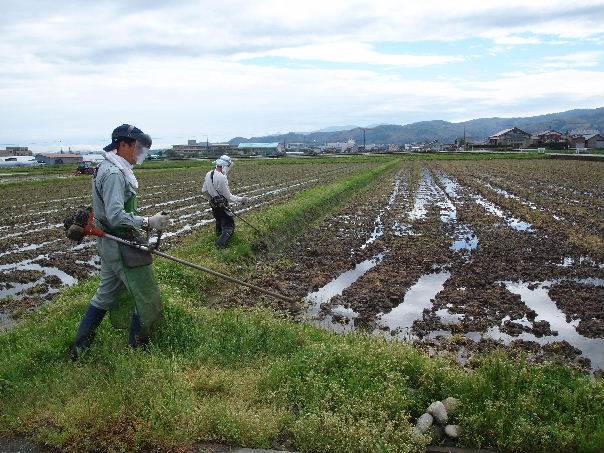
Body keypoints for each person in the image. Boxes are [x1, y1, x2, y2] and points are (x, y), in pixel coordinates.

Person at [70, 124, 169, 360]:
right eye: (137, 147)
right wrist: (148, 221)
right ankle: (139, 352)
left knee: (105, 295)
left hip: (111, 244)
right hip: (121, 243)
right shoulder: (114, 173)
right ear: (122, 145)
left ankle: (79, 351)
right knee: (145, 294)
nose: (140, 153)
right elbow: (115, 215)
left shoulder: (110, 167)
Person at [202, 155, 249, 248]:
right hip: (222, 205)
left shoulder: (209, 174)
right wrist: (242, 199)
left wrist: (212, 199)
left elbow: (204, 191)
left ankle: (217, 239)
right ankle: (220, 245)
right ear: (225, 166)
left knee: (219, 222)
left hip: (213, 205)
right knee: (229, 226)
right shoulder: (222, 178)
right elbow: (229, 197)